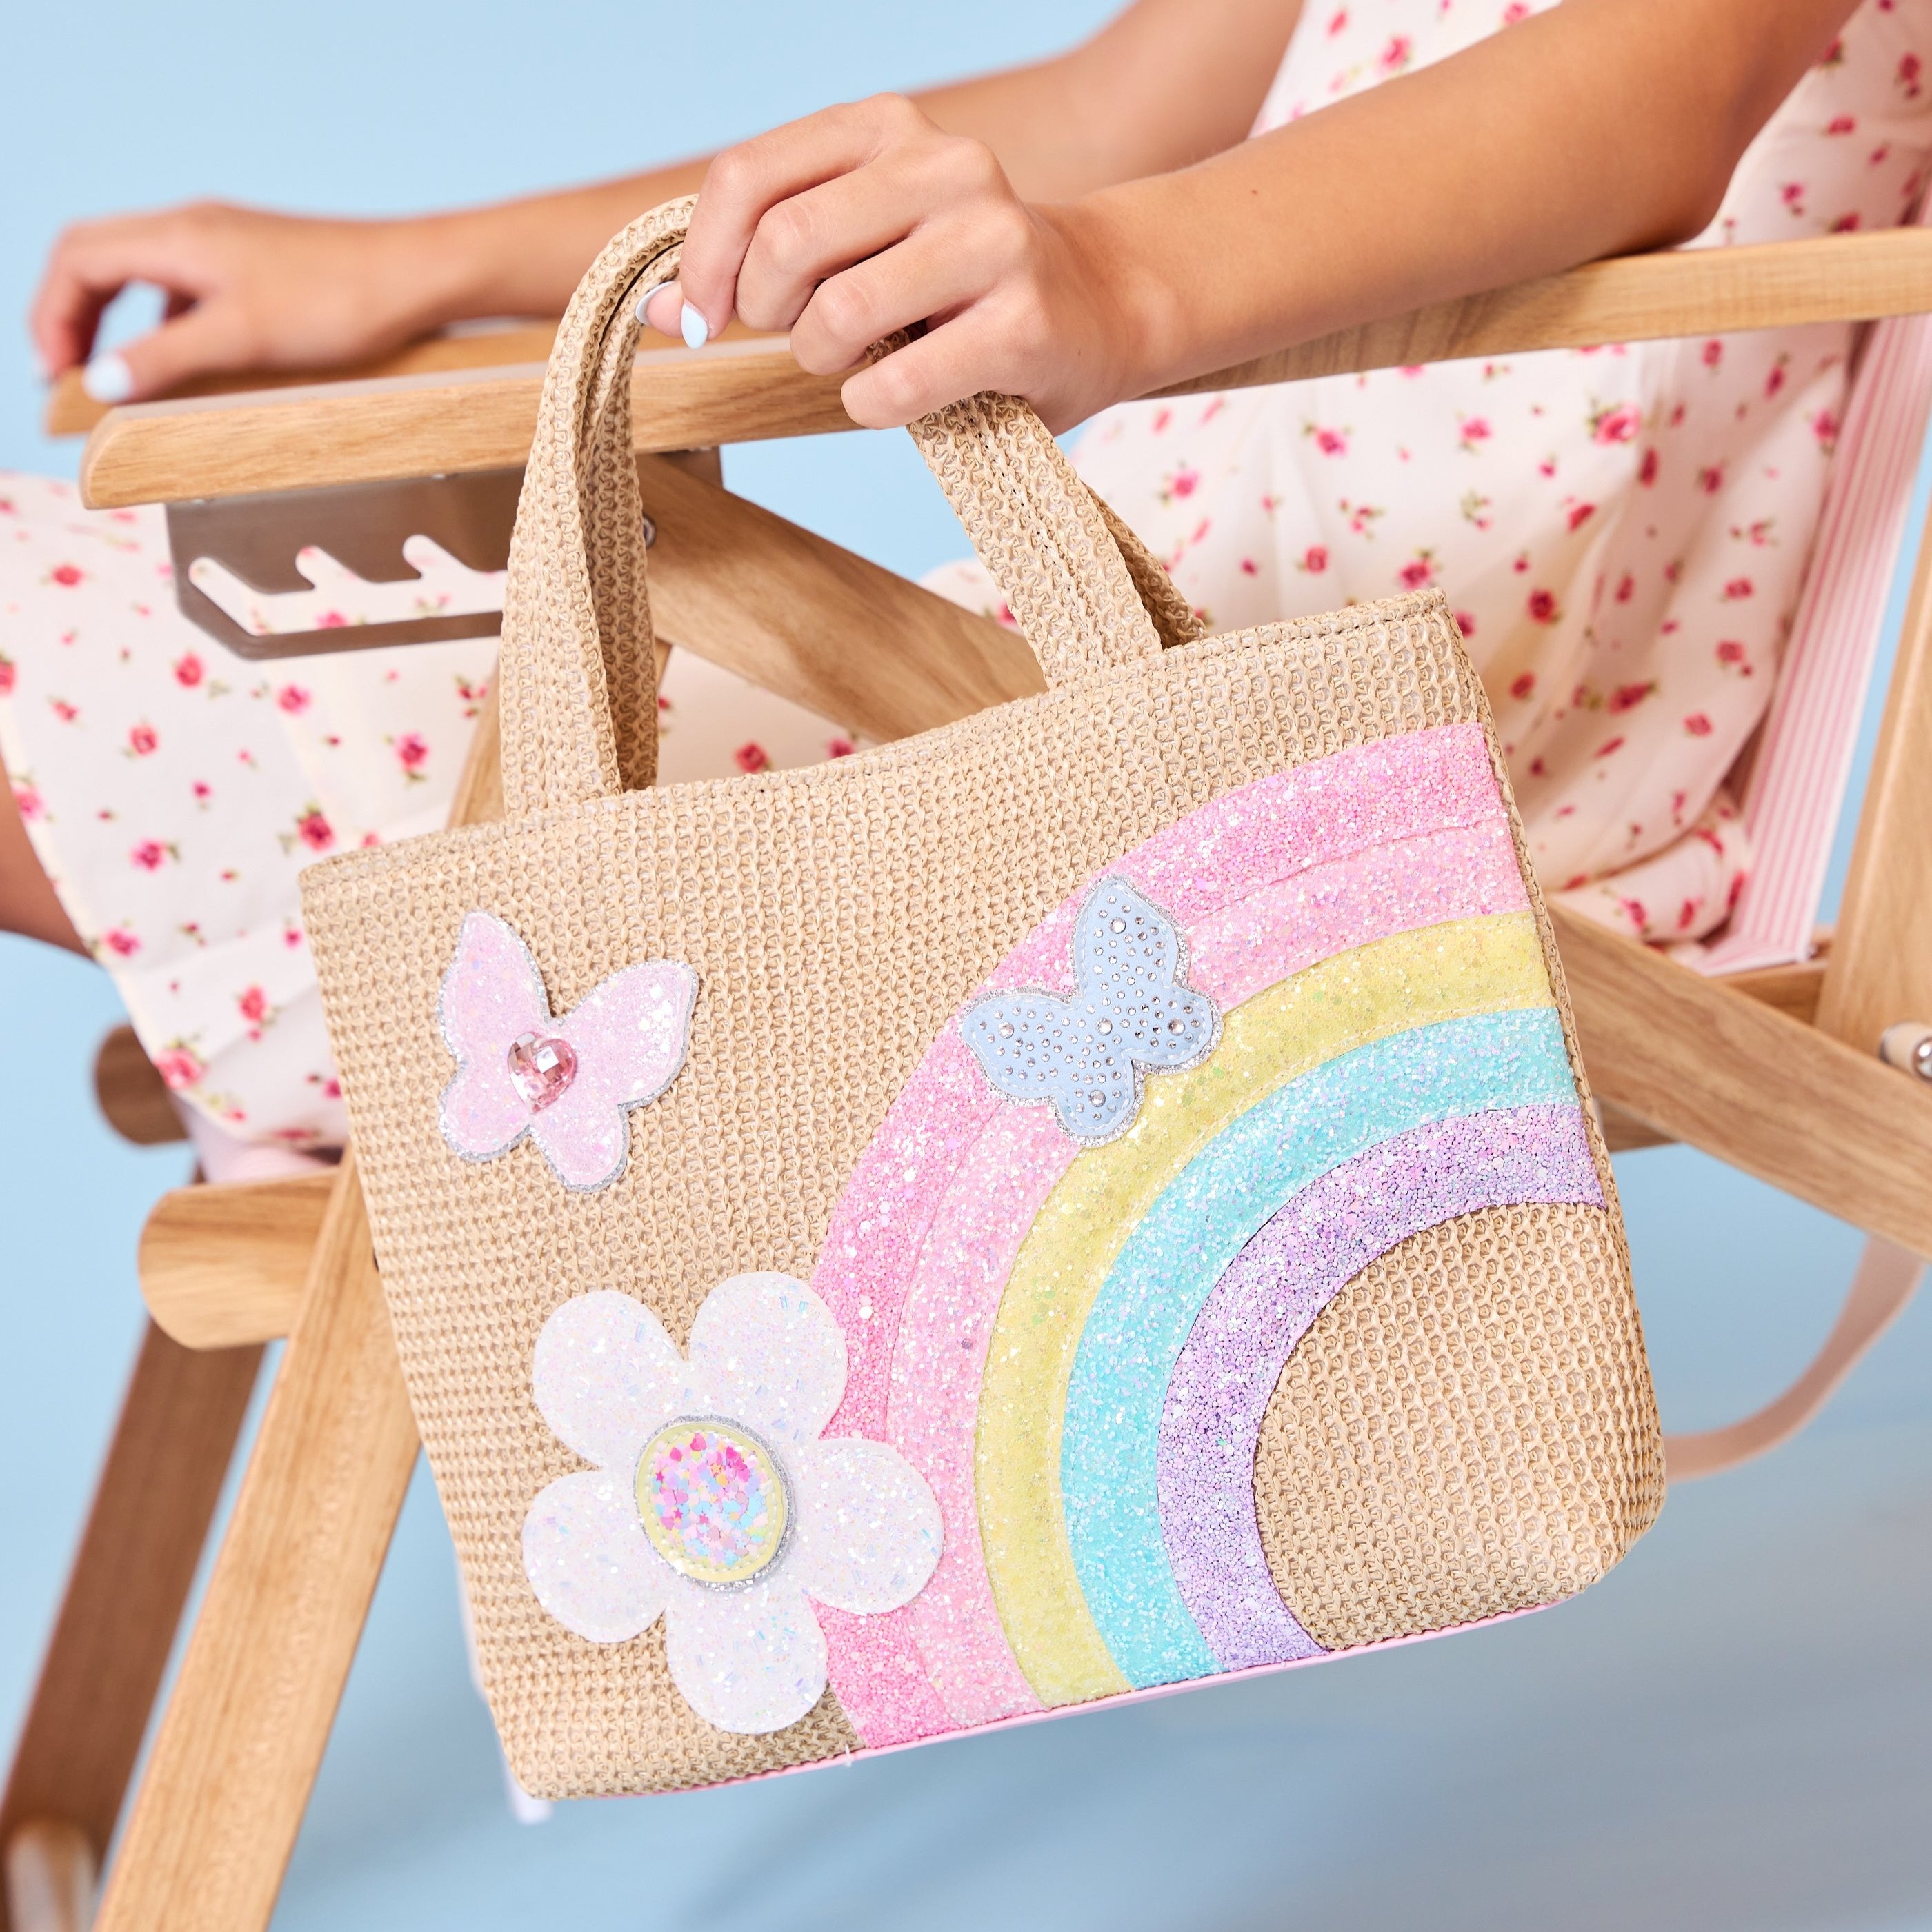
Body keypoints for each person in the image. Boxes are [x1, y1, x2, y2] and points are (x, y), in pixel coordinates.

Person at [7, 0, 1925, 1167]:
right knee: (184, 623)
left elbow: (1656, 87)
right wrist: (414, 267)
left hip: (1348, 741)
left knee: (332, 729)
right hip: (1074, 649)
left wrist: (1118, 281)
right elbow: (1100, 113)